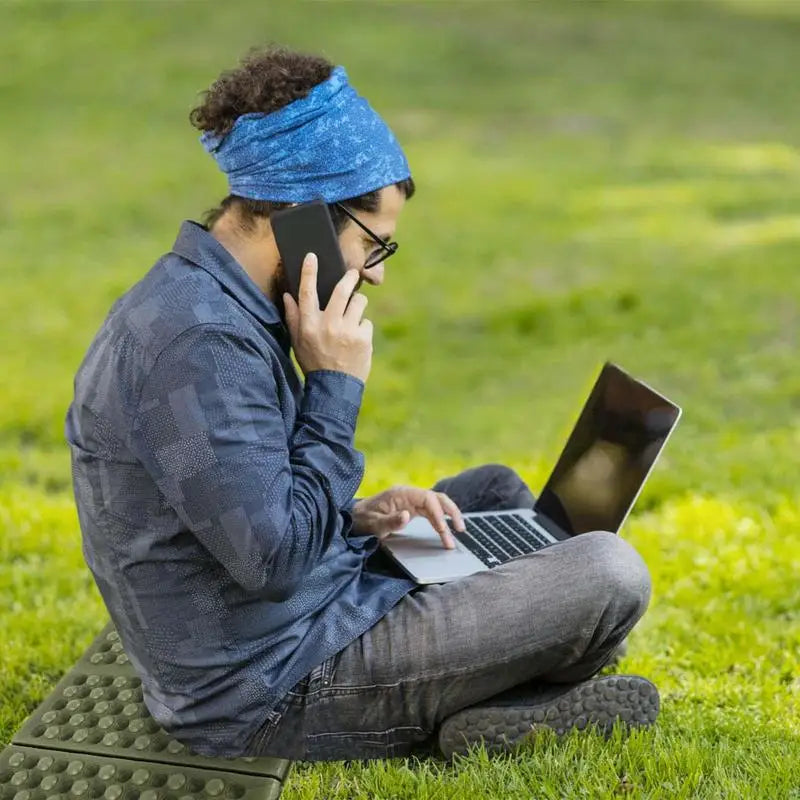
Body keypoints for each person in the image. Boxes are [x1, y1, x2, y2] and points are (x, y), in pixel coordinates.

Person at [64, 44, 657, 763]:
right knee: (609, 571)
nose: (373, 277)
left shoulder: (210, 302)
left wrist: (357, 520)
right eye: (373, 245)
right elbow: (274, 563)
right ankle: (499, 699)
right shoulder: (199, 346)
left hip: (298, 610)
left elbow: (234, 510)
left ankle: (502, 689)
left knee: (493, 492)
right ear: (304, 216)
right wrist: (334, 386)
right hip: (269, 687)